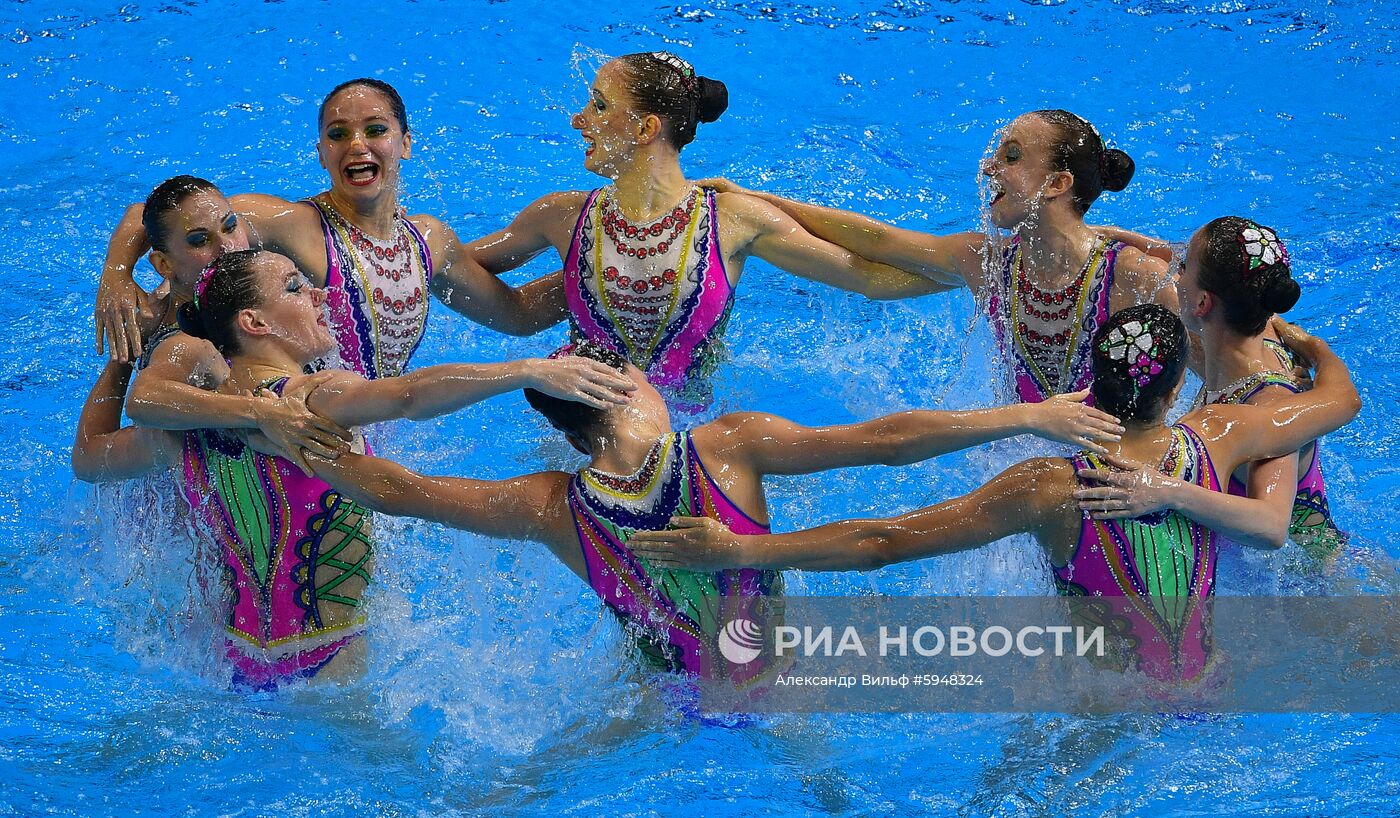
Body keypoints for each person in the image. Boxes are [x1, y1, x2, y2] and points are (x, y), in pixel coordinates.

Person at [305, 341, 1125, 680]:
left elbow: (396, 491)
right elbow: (888, 441)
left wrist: (274, 423)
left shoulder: (551, 505)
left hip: (658, 696)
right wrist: (1024, 416)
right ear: (630, 383)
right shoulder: (727, 446)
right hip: (772, 684)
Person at [628, 306, 1361, 681]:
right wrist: (1317, 352)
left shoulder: (1047, 489)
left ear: (1090, 384)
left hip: (1103, 713)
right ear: (1176, 390)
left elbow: (883, 543)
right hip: (1211, 696)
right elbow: (1334, 403)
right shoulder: (1223, 434)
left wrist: (741, 547)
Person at [73, 249, 635, 689]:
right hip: (333, 665)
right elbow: (408, 396)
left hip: (235, 662)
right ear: (255, 322)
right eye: (294, 287)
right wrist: (525, 370)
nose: (318, 293)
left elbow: (90, 457)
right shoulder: (308, 395)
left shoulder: (183, 427)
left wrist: (127, 353)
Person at [460, 52, 944, 404]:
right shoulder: (559, 216)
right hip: (580, 437)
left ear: (645, 129)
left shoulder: (732, 221)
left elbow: (871, 276)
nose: (578, 120)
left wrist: (977, 275)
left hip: (687, 438)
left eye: (599, 106)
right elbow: (447, 266)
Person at [94, 79, 563, 377]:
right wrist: (117, 276)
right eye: (338, 135)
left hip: (365, 420)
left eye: (376, 130)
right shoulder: (294, 225)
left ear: (405, 144)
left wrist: (606, 270)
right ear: (321, 153)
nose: (357, 145)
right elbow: (151, 211)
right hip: (287, 422)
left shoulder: (428, 242)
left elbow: (517, 315)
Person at [703, 109, 1176, 403]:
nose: (989, 166)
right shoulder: (988, 263)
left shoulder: (1133, 277)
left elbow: (1210, 365)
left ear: (1057, 184)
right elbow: (877, 242)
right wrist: (753, 199)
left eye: (1011, 157)